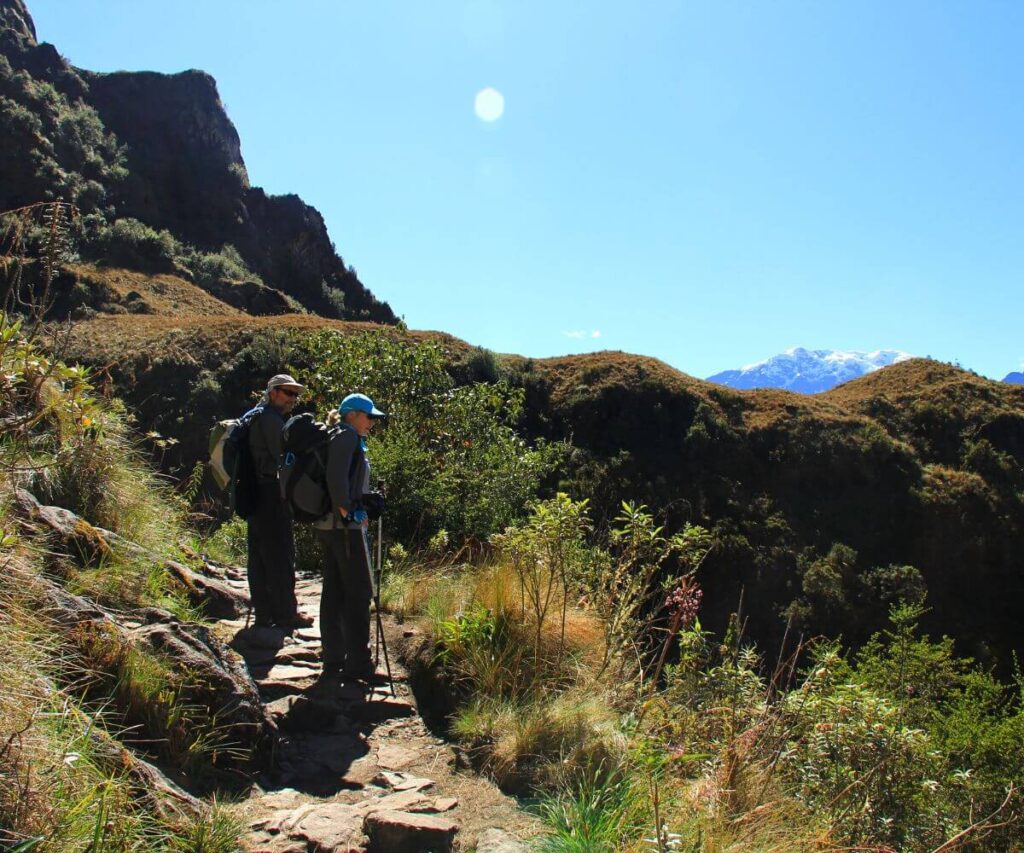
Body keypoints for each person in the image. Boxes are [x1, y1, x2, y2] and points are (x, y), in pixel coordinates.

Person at [315, 392, 385, 681]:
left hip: (332, 526)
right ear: (353, 414)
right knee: (359, 593)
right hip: (345, 529)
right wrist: (349, 511)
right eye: (369, 417)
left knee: (334, 591)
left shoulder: (339, 435)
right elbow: (335, 477)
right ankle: (358, 662)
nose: (372, 422)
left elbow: (345, 478)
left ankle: (334, 659)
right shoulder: (346, 438)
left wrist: (362, 502)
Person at [246, 374, 314, 630]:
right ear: (273, 392)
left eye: (295, 394)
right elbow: (284, 456)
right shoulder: (271, 420)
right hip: (271, 492)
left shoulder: (255, 414)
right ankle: (285, 614)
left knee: (259, 555)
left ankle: (264, 614)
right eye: (288, 393)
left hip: (253, 491)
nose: (293, 399)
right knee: (281, 553)